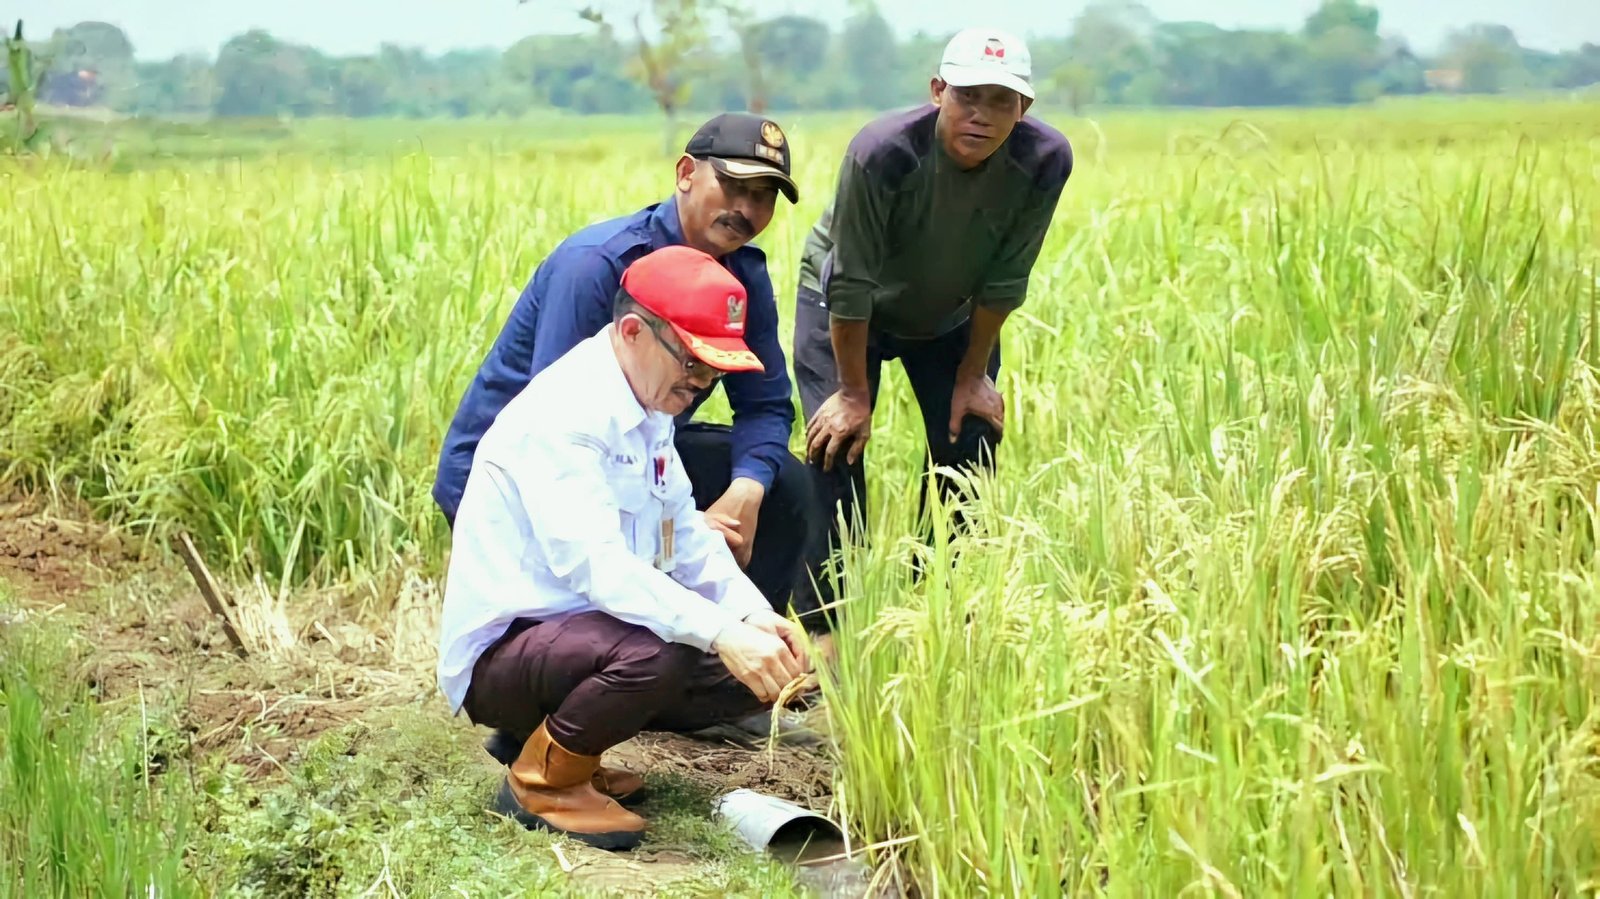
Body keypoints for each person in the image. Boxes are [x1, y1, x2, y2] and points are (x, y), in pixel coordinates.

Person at [436, 245, 813, 851]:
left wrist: (752, 615)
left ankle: (556, 744)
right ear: (633, 331)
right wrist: (719, 631)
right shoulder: (567, 416)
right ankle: (542, 783)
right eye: (692, 363)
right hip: (505, 652)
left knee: (751, 669)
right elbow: (598, 568)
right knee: (665, 646)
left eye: (713, 372)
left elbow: (684, 529)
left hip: (574, 634)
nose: (702, 384)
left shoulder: (646, 400)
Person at [794, 27, 1073, 589]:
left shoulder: (1045, 159)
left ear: (1024, 109)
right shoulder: (885, 151)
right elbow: (850, 283)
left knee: (971, 434)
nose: (982, 115)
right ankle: (826, 624)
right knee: (835, 446)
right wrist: (852, 394)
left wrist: (973, 377)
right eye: (967, 96)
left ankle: (935, 600)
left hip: (949, 308)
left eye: (1001, 101)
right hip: (847, 303)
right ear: (938, 91)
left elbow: (1006, 278)